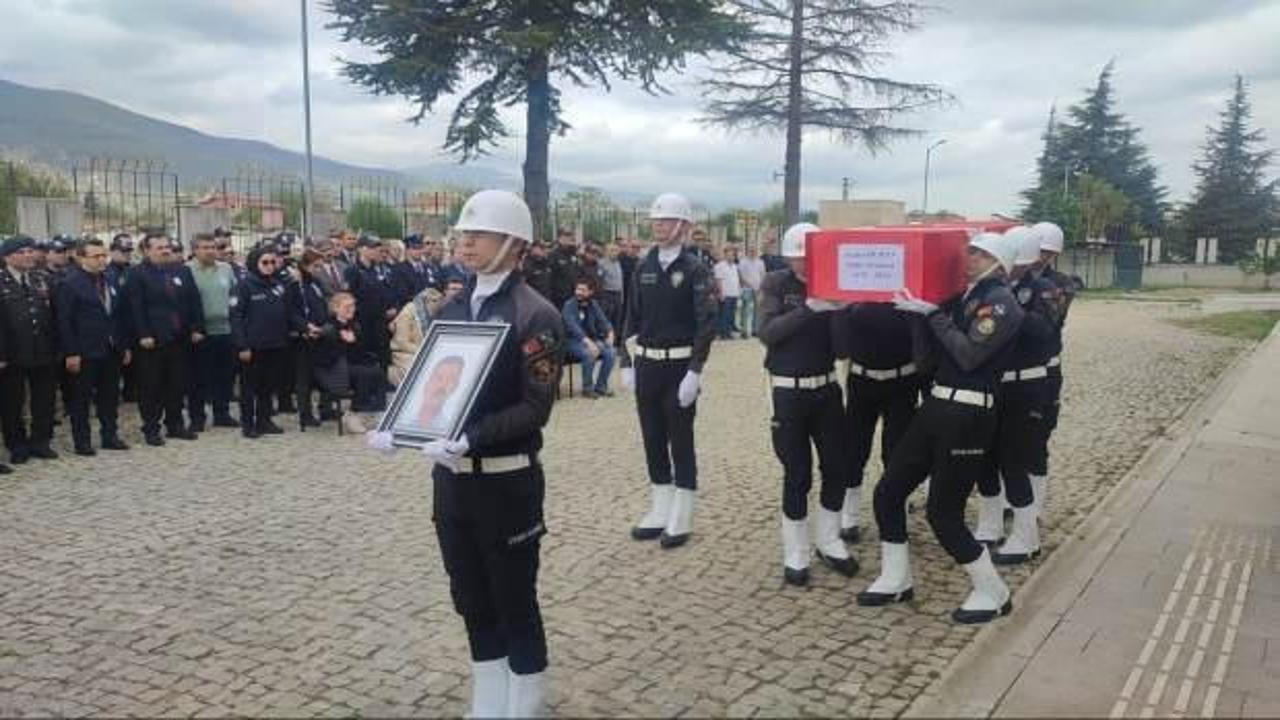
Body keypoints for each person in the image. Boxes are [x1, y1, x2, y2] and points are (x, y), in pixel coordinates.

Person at [367, 189, 564, 717]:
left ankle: (525, 699)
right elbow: (439, 385)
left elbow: (534, 408)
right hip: (452, 480)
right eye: (464, 232)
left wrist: (472, 436)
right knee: (470, 595)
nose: (466, 240)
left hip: (506, 481)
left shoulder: (535, 314)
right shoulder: (453, 306)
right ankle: (488, 695)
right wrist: (402, 426)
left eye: (480, 234)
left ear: (514, 243)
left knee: (513, 597)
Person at [857, 232, 1023, 625]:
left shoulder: (1001, 305)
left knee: (943, 513)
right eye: (972, 251)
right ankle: (896, 576)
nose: (971, 258)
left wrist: (932, 314)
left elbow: (968, 354)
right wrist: (917, 319)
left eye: (981, 254)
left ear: (1000, 262)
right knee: (888, 492)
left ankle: (993, 590)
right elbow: (928, 363)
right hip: (936, 405)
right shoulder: (964, 299)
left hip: (968, 413)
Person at [758, 223, 859, 586]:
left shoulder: (831, 282)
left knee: (837, 466)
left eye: (807, 257)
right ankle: (796, 550)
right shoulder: (776, 283)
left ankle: (828, 539)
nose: (801, 264)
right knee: (797, 472)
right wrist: (809, 310)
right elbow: (767, 333)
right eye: (795, 257)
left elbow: (843, 350)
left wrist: (841, 312)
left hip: (826, 388)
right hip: (788, 389)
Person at [620, 192, 717, 548]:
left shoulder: (696, 269)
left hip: (679, 365)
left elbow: (706, 323)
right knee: (652, 437)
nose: (659, 226)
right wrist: (624, 359)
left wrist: (696, 370)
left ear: (684, 226)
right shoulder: (644, 266)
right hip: (647, 363)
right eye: (656, 221)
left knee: (681, 439)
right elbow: (631, 316)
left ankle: (682, 513)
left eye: (665, 221)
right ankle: (660, 507)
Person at [983, 226, 1065, 566]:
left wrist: (1009, 307)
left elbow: (1046, 332)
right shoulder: (995, 288)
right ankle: (989, 524)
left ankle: (1025, 536)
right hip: (997, 382)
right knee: (990, 456)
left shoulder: (1044, 288)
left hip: (1027, 384)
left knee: (1018, 459)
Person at [831, 295, 921, 544]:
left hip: (902, 380)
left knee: (896, 450)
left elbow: (920, 340)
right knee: (854, 449)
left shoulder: (907, 294)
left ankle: (896, 507)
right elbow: (841, 348)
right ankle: (849, 515)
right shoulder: (856, 295)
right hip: (863, 379)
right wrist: (843, 309)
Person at [126, 231, 204, 446]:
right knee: (151, 387)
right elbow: (135, 307)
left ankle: (175, 424)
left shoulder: (182, 271)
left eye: (167, 246)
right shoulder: (137, 274)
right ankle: (151, 428)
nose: (165, 250)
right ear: (146, 250)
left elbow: (194, 300)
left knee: (177, 384)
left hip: (179, 338)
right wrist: (143, 333)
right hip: (152, 341)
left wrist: (197, 327)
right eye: (159, 247)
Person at [55, 238, 131, 455]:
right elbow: (65, 321)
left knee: (109, 396)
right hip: (85, 350)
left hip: (110, 348)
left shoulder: (110, 279)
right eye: (95, 256)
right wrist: (71, 352)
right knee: (81, 399)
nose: (101, 260)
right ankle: (83, 440)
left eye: (103, 255)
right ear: (80, 258)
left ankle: (110, 435)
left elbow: (119, 316)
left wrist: (123, 345)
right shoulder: (69, 283)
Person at [1027, 221, 1074, 513]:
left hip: (1046, 369)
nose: (1040, 257)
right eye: (1038, 250)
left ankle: (1035, 505)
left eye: (1047, 252)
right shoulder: (1012, 278)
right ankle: (1011, 498)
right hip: (1015, 371)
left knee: (1038, 437)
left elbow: (1052, 321)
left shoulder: (1062, 283)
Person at [0, 236, 59, 464]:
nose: (28, 255)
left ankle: (41, 441)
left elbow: (54, 315)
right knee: (12, 402)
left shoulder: (41, 279)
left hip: (43, 349)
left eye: (30, 251)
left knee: (44, 399)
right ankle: (17, 444)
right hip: (13, 353)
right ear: (7, 256)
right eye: (21, 251)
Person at [230, 246, 300, 438]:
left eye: (272, 262)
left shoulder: (277, 284)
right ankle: (248, 423)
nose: (270, 266)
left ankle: (264, 420)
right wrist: (242, 345)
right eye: (265, 263)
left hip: (275, 344)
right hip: (253, 347)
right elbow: (236, 318)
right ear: (255, 264)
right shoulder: (243, 286)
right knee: (249, 388)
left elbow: (289, 312)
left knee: (268, 387)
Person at [186, 233, 239, 430]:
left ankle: (222, 413)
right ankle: (197, 417)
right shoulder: (187, 270)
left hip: (225, 329)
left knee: (224, 375)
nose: (210, 251)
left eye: (213, 247)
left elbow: (235, 294)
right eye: (205, 247)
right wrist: (192, 328)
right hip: (200, 332)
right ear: (194, 250)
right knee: (198, 377)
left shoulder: (226, 269)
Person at [344, 233, 397, 385]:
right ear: (361, 249)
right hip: (362, 321)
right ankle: (365, 387)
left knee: (383, 353)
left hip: (380, 319)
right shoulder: (353, 271)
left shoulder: (378, 269)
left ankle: (382, 382)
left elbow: (384, 292)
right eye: (372, 247)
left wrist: (389, 308)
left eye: (377, 248)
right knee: (364, 356)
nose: (376, 251)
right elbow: (349, 297)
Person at [388, 277, 461, 387]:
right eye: (432, 300)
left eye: (437, 300)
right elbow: (401, 342)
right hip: (405, 353)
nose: (434, 303)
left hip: (430, 349)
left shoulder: (444, 309)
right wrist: (425, 350)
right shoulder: (409, 311)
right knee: (422, 369)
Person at [562, 279, 616, 398]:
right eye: (577, 289)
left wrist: (610, 333)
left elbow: (604, 321)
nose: (578, 292)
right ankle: (587, 388)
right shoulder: (569, 305)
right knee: (589, 353)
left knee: (611, 352)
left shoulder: (593, 304)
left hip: (591, 340)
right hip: (572, 341)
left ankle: (601, 387)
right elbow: (573, 328)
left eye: (583, 290)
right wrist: (589, 343)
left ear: (591, 292)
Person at [415, 355, 466, 433]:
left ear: (454, 389)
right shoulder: (399, 417)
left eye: (451, 380)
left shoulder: (447, 430)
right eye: (439, 378)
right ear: (426, 383)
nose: (442, 386)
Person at [392, 234, 440, 306]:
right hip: (410, 309)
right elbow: (402, 295)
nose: (418, 251)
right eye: (415, 248)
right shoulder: (399, 269)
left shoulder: (427, 267)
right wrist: (422, 297)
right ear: (407, 250)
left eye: (420, 248)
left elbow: (435, 285)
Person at [713, 245, 742, 339]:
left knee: (731, 315)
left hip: (734, 293)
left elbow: (737, 279)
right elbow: (718, 280)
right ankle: (723, 333)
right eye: (729, 255)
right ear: (725, 255)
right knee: (724, 315)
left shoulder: (735, 266)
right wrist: (721, 293)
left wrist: (738, 291)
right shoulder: (719, 266)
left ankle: (729, 332)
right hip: (725, 294)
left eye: (733, 255)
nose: (731, 257)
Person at [737, 244, 766, 338]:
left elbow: (763, 275)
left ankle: (755, 330)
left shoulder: (760, 262)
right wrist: (749, 285)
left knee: (757, 311)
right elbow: (741, 276)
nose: (753, 252)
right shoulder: (743, 262)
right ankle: (744, 331)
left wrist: (761, 287)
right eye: (751, 250)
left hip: (758, 289)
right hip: (747, 289)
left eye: (754, 250)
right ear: (748, 251)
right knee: (745, 310)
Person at [548, 227, 580, 311]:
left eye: (569, 236)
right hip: (559, 297)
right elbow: (549, 277)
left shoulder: (573, 254)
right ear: (559, 238)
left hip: (573, 295)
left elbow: (577, 272)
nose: (568, 238)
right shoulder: (553, 255)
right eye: (565, 236)